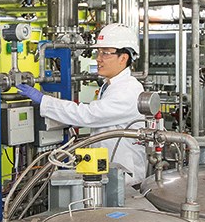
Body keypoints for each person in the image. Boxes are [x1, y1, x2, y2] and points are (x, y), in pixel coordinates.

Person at [18, 23, 147, 185]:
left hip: (125, 178)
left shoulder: (128, 90)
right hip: (109, 171)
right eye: (98, 52)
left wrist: (43, 100)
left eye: (105, 53)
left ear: (123, 58)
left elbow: (88, 115)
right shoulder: (111, 85)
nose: (98, 58)